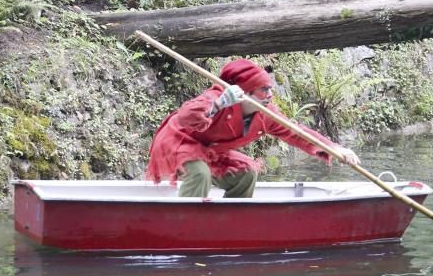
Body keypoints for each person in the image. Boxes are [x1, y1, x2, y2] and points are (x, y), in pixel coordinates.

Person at [147, 59, 360, 198]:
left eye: (270, 89)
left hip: (210, 149)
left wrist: (334, 148)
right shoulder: (219, 96)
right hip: (178, 140)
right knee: (200, 173)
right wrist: (219, 104)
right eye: (263, 90)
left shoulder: (266, 113)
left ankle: (231, 220)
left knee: (246, 173)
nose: (269, 95)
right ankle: (187, 224)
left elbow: (295, 132)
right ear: (246, 92)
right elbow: (185, 117)